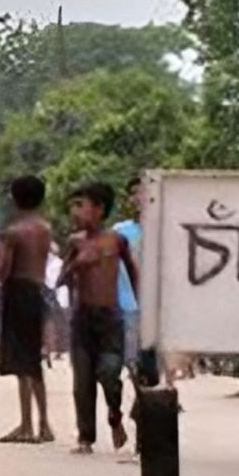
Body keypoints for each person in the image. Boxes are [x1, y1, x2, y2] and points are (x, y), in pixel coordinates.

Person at [61, 181, 140, 455]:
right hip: (83, 317)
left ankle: (115, 413)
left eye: (81, 205)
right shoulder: (75, 242)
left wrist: (142, 307)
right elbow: (61, 279)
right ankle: (85, 437)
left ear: (98, 209)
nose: (76, 211)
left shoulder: (116, 241)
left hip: (110, 317)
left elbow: (133, 273)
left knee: (108, 372)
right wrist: (77, 264)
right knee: (82, 381)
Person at [0, 175, 56, 444]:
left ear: (15, 199)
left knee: (21, 361)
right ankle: (44, 424)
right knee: (34, 361)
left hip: (18, 292)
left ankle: (26, 425)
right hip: (37, 290)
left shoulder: (14, 233)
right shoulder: (45, 228)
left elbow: (4, 269)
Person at [116, 178, 151, 386]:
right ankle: (142, 394)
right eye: (135, 193)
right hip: (128, 300)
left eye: (143, 192)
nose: (139, 197)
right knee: (132, 355)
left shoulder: (164, 227)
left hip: (156, 302)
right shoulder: (120, 231)